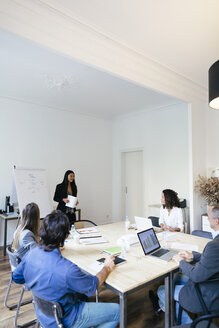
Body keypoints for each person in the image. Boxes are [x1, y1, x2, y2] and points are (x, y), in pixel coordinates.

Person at [12, 210, 120, 328]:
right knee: (117, 311)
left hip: (43, 314)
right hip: (65, 319)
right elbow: (94, 285)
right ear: (64, 237)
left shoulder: (30, 255)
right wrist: (107, 267)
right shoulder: (67, 270)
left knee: (80, 295)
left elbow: (16, 277)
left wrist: (39, 284)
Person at [157, 205, 219, 324]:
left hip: (208, 295)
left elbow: (196, 276)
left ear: (216, 221)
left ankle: (187, 323)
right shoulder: (215, 245)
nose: (207, 219)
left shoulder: (213, 246)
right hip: (214, 285)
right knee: (176, 278)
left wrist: (181, 262)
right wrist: (193, 256)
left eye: (209, 217)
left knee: (162, 290)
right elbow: (213, 260)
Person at [11, 202, 40, 268]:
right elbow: (37, 254)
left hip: (20, 263)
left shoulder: (20, 228)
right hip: (25, 268)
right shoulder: (27, 234)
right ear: (36, 218)